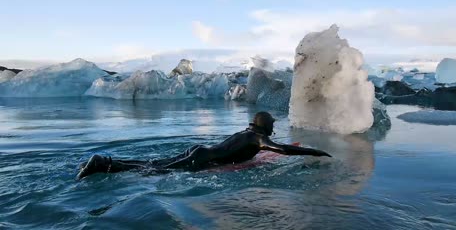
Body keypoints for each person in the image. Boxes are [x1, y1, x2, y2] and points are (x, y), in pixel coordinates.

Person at [76, 112, 332, 180]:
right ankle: (104, 164)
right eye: (272, 125)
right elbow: (283, 150)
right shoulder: (258, 139)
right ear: (266, 125)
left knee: (154, 164)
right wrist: (314, 151)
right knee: (156, 172)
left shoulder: (245, 132)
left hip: (199, 151)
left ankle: (108, 163)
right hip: (202, 160)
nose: (274, 129)